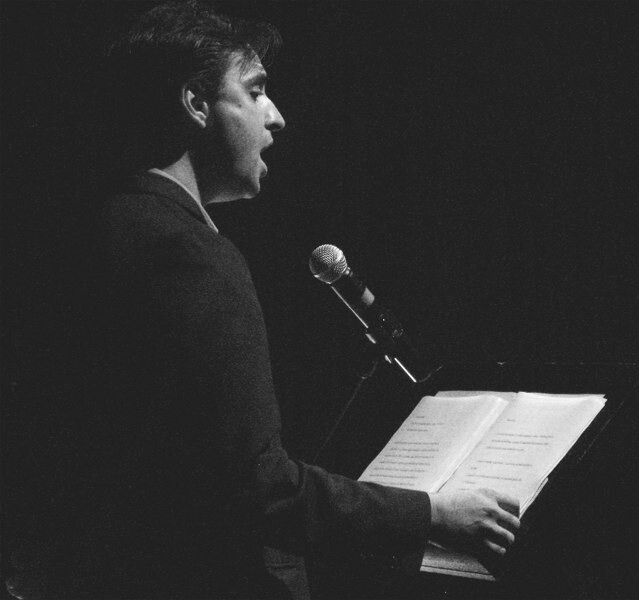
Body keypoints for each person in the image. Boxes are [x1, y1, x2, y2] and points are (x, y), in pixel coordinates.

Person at [8, 2, 520, 599]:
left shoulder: (94, 230)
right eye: (255, 93)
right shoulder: (187, 253)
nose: (276, 118)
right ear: (197, 103)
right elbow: (261, 491)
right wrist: (430, 514)